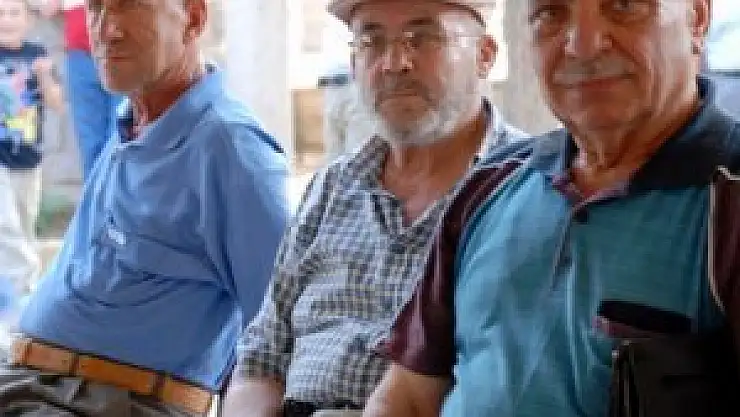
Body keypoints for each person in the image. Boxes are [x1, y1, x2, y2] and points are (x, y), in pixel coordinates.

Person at [364, 0, 740, 416]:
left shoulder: (727, 200)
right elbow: (408, 394)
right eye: (551, 14)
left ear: (697, 18)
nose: (582, 46)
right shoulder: (491, 185)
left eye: (623, 6)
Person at [224, 1, 525, 416]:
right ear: (353, 63)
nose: (394, 63)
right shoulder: (332, 188)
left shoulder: (525, 187)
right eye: (372, 41)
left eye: (422, 38)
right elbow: (261, 360)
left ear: (484, 54)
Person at [0, 0, 289, 415]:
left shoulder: (231, 150)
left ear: (193, 18)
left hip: (98, 400)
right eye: (97, 7)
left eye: (129, 6)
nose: (106, 30)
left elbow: (282, 331)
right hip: (31, 382)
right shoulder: (131, 121)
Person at [0, 0, 63, 316]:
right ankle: (26, 295)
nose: (7, 20)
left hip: (29, 159)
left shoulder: (38, 55)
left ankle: (15, 294)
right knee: (5, 225)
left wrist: (45, 77)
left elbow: (56, 103)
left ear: (29, 21)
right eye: (1, 14)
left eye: (15, 13)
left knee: (24, 228)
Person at [41, 0, 123, 179]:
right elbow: (46, 9)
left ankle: (115, 192)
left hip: (121, 52)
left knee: (119, 134)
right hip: (81, 57)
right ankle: (94, 192)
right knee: (89, 138)